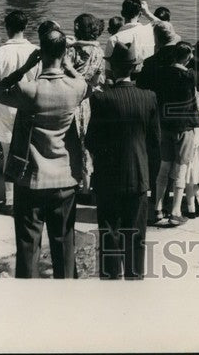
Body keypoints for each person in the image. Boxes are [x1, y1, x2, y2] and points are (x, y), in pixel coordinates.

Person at [0, 28, 88, 279]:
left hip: (31, 177)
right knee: (64, 244)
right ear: (64, 53)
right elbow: (85, 84)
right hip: (65, 176)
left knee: (28, 245)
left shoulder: (29, 89)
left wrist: (24, 68)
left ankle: (28, 300)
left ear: (40, 54)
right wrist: (68, 65)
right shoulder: (76, 87)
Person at [85, 41, 161, 279]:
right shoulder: (149, 98)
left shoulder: (101, 100)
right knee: (136, 233)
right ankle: (135, 278)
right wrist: (149, 175)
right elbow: (155, 143)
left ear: (113, 70)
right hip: (139, 174)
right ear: (134, 68)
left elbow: (91, 141)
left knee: (109, 231)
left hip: (108, 175)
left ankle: (110, 279)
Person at [0, 10, 38, 212]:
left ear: (6, 27)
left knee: (7, 153)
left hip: (5, 105)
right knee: (30, 151)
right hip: (29, 104)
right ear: (25, 27)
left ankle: (10, 201)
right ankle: (30, 196)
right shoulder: (36, 50)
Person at [148, 42, 199, 226]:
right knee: (181, 169)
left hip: (164, 126)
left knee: (164, 168)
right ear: (187, 57)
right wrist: (196, 58)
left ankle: (157, 208)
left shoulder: (160, 73)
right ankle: (175, 211)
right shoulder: (189, 76)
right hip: (184, 126)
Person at [68, 13, 107, 196]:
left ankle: (71, 180)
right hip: (86, 99)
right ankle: (86, 185)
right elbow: (99, 78)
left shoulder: (72, 50)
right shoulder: (99, 52)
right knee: (85, 142)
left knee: (69, 141)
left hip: (70, 98)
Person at [111, 0, 159, 75]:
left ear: (122, 13)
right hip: (149, 77)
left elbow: (109, 71)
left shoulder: (114, 39)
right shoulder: (149, 31)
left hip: (125, 79)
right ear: (140, 14)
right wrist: (147, 13)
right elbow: (164, 26)